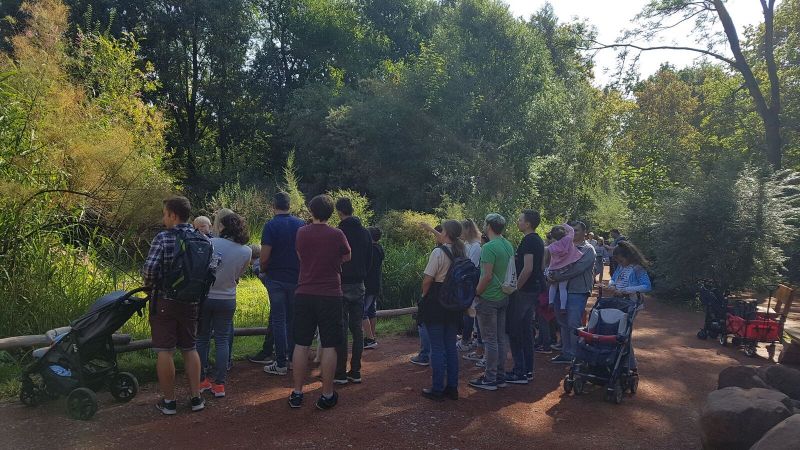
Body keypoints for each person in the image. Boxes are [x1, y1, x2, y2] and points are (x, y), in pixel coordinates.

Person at [143, 196, 216, 415]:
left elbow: (149, 270)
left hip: (165, 300)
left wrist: (149, 287)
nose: (163, 218)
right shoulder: (203, 239)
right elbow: (213, 267)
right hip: (192, 302)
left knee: (165, 350)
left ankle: (169, 402)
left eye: (165, 214)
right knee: (189, 347)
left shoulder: (163, 238)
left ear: (173, 215)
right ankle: (196, 398)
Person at [289, 194, 350, 410]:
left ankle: (297, 392)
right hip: (330, 293)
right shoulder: (337, 234)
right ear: (331, 213)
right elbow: (347, 255)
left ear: (311, 211)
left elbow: (300, 255)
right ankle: (326, 393)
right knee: (331, 344)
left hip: (304, 291)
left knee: (301, 343)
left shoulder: (302, 232)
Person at [197, 210, 251, 398]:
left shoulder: (209, 243)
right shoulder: (246, 251)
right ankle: (220, 384)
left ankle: (201, 380)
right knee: (222, 339)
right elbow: (237, 277)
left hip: (206, 296)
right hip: (228, 298)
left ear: (222, 226)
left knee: (202, 338)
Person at [258, 192, 306, 376]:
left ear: (273, 206)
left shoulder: (270, 225)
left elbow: (264, 256)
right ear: (289, 205)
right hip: (296, 277)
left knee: (279, 319)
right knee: (293, 318)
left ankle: (280, 362)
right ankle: (294, 359)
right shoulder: (300, 224)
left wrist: (263, 269)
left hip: (276, 277)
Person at [418, 220, 465, 401]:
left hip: (436, 301)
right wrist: (430, 229)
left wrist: (423, 297)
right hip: (454, 303)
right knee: (450, 347)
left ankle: (437, 388)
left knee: (437, 347)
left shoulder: (438, 252)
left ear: (446, 234)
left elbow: (427, 280)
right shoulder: (461, 250)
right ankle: (452, 388)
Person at [468, 213, 514, 391]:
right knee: (500, 338)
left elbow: (486, 276)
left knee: (490, 340)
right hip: (503, 296)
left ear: (488, 226)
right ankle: (500, 376)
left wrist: (475, 293)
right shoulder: (507, 245)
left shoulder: (489, 247)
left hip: (489, 297)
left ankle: (490, 377)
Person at [334, 198, 372, 384]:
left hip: (341, 283)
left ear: (340, 212)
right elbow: (369, 260)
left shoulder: (338, 232)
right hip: (359, 284)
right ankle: (355, 370)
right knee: (357, 329)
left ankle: (340, 373)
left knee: (340, 328)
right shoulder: (365, 233)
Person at [547, 221, 597, 364]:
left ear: (584, 233)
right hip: (560, 290)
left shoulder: (588, 250)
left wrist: (556, 277)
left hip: (577, 291)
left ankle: (576, 355)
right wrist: (549, 275)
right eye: (572, 230)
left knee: (573, 323)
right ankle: (566, 352)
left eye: (577, 230)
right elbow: (551, 263)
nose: (574, 232)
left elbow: (577, 269)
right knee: (562, 323)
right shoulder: (564, 247)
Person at [506, 210, 545, 384]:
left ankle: (519, 371)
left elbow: (528, 268)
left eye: (520, 219)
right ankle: (527, 370)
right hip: (534, 289)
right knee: (527, 331)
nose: (518, 222)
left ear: (528, 223)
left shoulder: (529, 240)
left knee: (516, 330)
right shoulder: (538, 240)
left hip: (525, 291)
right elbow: (540, 266)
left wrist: (515, 288)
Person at [605, 241, 652, 374]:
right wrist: (612, 285)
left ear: (629, 257)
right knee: (616, 331)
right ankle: (621, 362)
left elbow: (646, 286)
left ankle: (630, 364)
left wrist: (626, 290)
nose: (620, 263)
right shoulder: (621, 267)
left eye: (621, 260)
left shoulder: (638, 268)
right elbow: (613, 278)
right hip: (618, 301)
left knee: (623, 333)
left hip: (631, 303)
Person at [411, 224, 443, 366]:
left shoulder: (438, 251)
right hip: (448, 295)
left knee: (423, 322)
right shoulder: (457, 250)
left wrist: (424, 294)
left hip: (434, 292)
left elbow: (428, 278)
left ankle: (424, 355)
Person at [545, 224, 583, 313]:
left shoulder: (551, 247)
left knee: (553, 286)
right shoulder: (569, 239)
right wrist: (564, 225)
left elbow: (550, 258)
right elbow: (571, 231)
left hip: (554, 269)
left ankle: (551, 302)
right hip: (566, 268)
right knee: (563, 288)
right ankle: (563, 307)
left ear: (553, 236)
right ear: (564, 234)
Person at [457, 219, 482, 352]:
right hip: (463, 282)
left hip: (470, 283)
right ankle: (466, 337)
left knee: (470, 312)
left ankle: (466, 340)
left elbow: (470, 265)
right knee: (466, 311)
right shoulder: (466, 244)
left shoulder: (476, 246)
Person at [363, 227, 384, 350]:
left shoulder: (370, 250)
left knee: (363, 311)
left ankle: (370, 339)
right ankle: (371, 336)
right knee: (371, 311)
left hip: (368, 285)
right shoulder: (379, 249)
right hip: (376, 284)